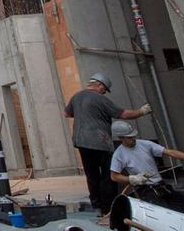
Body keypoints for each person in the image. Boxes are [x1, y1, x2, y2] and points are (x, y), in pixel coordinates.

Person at [64, 72, 153, 221]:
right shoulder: (100, 99)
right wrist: (142, 111)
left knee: (91, 175)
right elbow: (123, 114)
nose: (105, 92)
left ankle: (97, 206)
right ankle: (108, 207)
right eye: (104, 89)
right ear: (99, 85)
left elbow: (67, 113)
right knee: (107, 175)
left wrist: (84, 114)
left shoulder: (76, 96)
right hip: (100, 142)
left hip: (81, 142)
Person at [108, 120, 184, 216]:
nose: (133, 139)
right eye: (129, 138)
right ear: (120, 138)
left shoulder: (145, 144)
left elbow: (169, 152)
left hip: (160, 185)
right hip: (145, 189)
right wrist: (133, 179)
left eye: (133, 136)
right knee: (162, 213)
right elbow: (114, 176)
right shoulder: (119, 154)